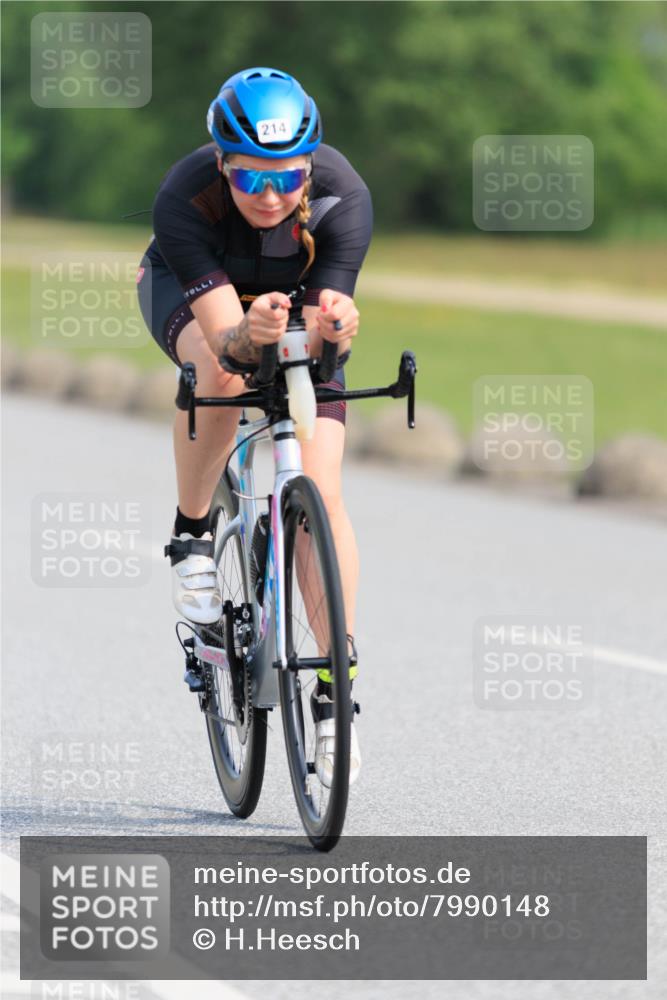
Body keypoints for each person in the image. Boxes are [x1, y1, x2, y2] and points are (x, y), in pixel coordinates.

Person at [137, 67, 372, 785]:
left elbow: (329, 341)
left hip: (291, 305)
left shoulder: (344, 197)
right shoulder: (185, 196)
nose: (270, 196)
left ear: (310, 165)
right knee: (223, 372)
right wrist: (251, 331)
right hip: (197, 299)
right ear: (222, 166)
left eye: (287, 178)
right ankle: (191, 535)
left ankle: (335, 697)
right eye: (250, 181)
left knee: (322, 499)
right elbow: (230, 343)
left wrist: (336, 330)